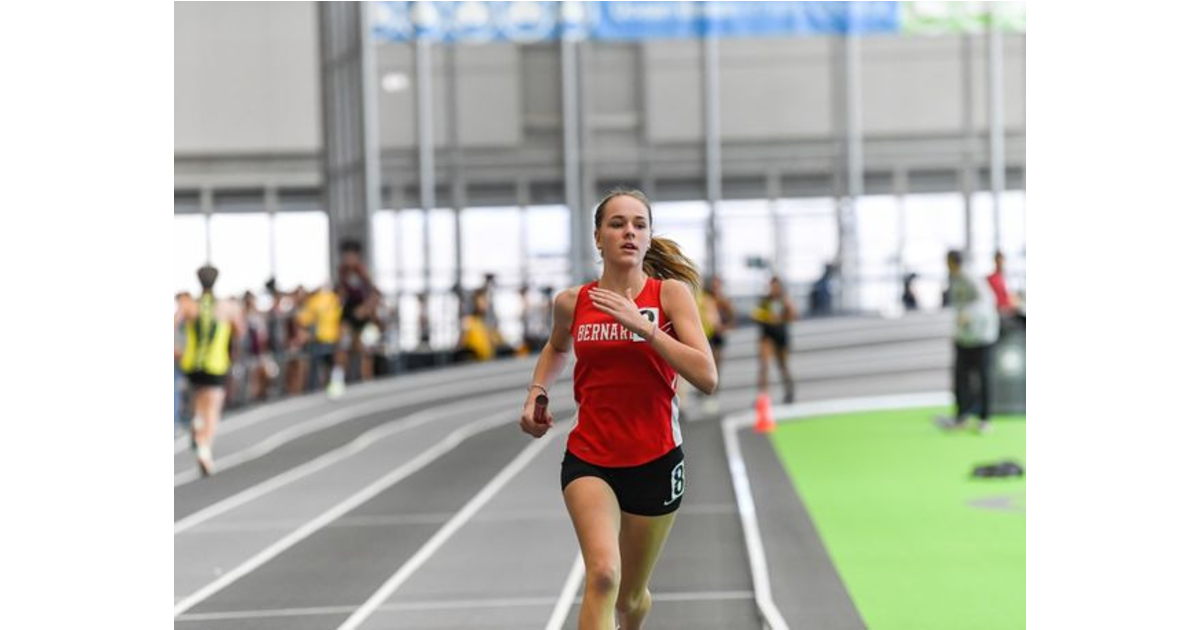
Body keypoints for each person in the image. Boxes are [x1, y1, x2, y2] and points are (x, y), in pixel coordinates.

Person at [518, 188, 717, 630]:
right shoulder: (573, 302)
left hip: (657, 460)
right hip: (591, 458)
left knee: (629, 598)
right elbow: (555, 347)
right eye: (617, 223)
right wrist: (536, 391)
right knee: (604, 576)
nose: (629, 231)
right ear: (598, 237)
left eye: (639, 225)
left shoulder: (671, 296)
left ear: (648, 239)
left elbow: (707, 376)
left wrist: (643, 328)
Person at [175, 265, 244, 476]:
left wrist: (176, 348)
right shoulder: (227, 306)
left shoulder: (189, 305)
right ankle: (204, 447)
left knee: (198, 399)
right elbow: (239, 332)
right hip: (215, 364)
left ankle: (197, 423)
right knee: (212, 408)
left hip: (192, 364)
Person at [937, 250, 1001, 434]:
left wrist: (969, 315)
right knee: (960, 378)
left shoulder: (972, 278)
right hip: (964, 338)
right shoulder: (953, 278)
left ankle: (985, 419)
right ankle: (962, 416)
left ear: (953, 261)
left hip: (983, 337)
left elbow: (988, 300)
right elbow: (958, 306)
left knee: (983, 377)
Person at [336, 240, 380, 383]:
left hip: (364, 314)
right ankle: (338, 380)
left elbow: (376, 294)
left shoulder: (363, 272)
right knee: (342, 346)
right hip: (349, 312)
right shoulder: (342, 271)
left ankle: (366, 380)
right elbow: (341, 293)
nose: (348, 259)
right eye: (346, 256)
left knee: (365, 349)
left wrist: (365, 308)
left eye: (351, 256)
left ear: (357, 256)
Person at [752, 276, 798, 404]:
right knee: (764, 366)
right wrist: (766, 317)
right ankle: (763, 397)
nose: (774, 289)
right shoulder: (765, 301)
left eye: (776, 286)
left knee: (783, 365)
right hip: (767, 336)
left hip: (781, 336)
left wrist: (786, 312)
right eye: (772, 286)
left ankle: (789, 391)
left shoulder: (784, 300)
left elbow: (794, 316)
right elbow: (756, 315)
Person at [295, 282, 344, 397]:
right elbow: (339, 317)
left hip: (320, 337)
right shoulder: (332, 298)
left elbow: (303, 319)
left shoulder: (314, 301)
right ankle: (334, 385)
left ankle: (316, 388)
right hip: (331, 336)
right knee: (332, 363)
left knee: (317, 364)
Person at [698, 276, 735, 413]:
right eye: (714, 285)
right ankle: (704, 391)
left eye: (718, 285)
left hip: (717, 336)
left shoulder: (723, 300)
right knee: (705, 364)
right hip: (706, 335)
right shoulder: (703, 298)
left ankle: (712, 394)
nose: (716, 287)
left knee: (716, 366)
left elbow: (731, 317)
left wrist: (725, 327)